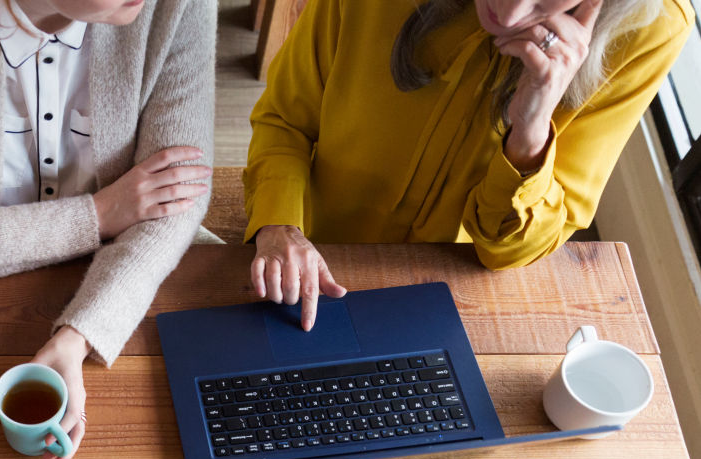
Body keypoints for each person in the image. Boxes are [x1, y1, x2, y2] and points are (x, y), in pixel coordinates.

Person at [243, 0, 694, 330]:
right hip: (315, 245)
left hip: (463, 296)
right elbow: (286, 119)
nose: (512, 14)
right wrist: (278, 224)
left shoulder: (650, 29)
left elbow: (511, 252)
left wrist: (532, 127)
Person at [0, 0, 216, 459]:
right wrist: (101, 213)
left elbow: (176, 199)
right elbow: (127, 208)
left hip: (129, 286)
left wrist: (78, 335)